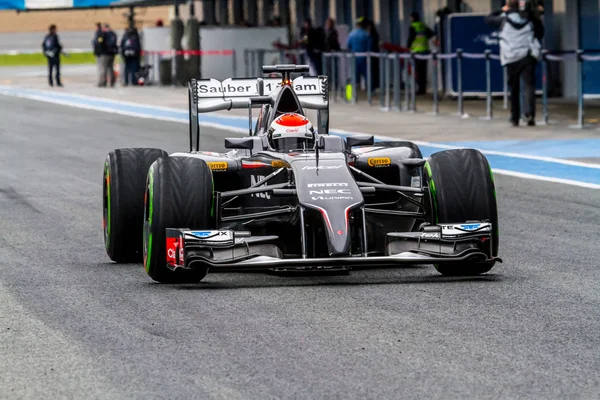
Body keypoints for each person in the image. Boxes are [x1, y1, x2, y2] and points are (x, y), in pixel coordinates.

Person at [487, 0, 544, 126]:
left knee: (514, 88)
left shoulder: (503, 20)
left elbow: (488, 19)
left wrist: (502, 10)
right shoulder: (530, 20)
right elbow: (540, 33)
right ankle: (529, 114)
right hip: (527, 56)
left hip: (510, 57)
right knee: (529, 86)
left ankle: (515, 117)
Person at [407, 12, 434, 95]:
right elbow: (431, 34)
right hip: (425, 50)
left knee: (418, 71)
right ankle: (423, 88)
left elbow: (411, 38)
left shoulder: (413, 26)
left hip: (417, 51)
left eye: (410, 18)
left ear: (413, 18)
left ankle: (420, 89)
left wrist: (408, 47)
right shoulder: (423, 25)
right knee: (424, 70)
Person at [346, 17, 371, 89]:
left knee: (352, 76)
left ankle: (350, 95)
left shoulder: (351, 34)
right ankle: (368, 92)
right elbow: (369, 46)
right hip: (364, 57)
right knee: (367, 75)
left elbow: (348, 45)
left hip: (354, 57)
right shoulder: (366, 34)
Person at [365, 19, 380, 90]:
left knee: (373, 71)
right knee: (372, 71)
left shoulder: (371, 35)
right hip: (372, 55)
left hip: (372, 55)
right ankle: (372, 85)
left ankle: (373, 86)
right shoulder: (372, 34)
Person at [92, 22, 106, 87]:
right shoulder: (100, 33)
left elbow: (99, 42)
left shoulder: (99, 33)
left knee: (101, 68)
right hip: (100, 52)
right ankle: (102, 81)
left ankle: (102, 81)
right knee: (101, 68)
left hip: (100, 53)